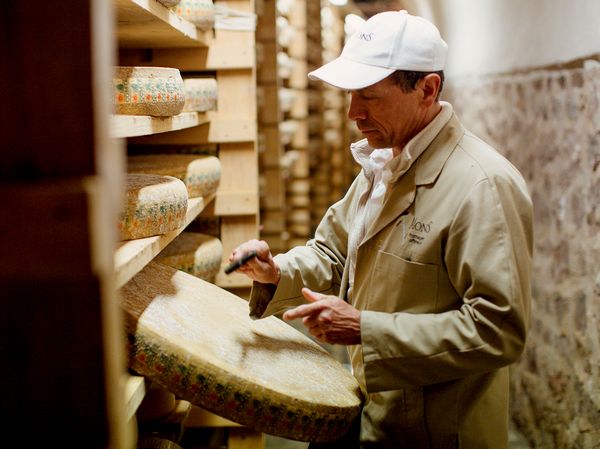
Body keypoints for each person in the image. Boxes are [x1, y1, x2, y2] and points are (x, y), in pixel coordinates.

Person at [228, 10, 533, 449]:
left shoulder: (482, 186)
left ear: (427, 89)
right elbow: (333, 252)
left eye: (369, 96)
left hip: (436, 433)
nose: (353, 112)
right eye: (352, 95)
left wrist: (364, 329)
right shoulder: (383, 163)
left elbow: (498, 330)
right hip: (373, 412)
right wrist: (276, 272)